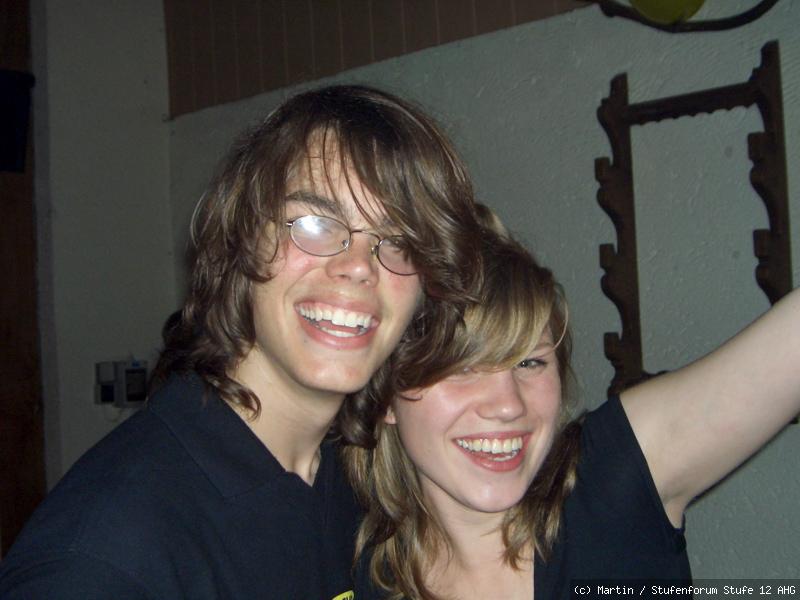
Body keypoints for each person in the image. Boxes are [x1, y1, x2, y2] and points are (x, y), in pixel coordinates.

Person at [0, 85, 482, 599]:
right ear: (241, 237)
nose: (359, 267)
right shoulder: (104, 561)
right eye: (315, 223)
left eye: (401, 241)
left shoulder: (356, 484)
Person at [344, 213, 800, 600]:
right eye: (463, 366)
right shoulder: (351, 568)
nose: (508, 405)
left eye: (530, 362)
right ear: (386, 397)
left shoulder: (611, 481)